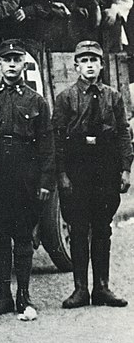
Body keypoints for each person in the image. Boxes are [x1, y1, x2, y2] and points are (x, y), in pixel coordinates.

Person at [0, 39, 55, 316]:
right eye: (7, 59)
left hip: (25, 178)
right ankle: (3, 295)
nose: (12, 64)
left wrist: (44, 183)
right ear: (0, 63)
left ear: (23, 64)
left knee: (24, 237)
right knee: (0, 236)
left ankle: (24, 296)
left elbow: (47, 146)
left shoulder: (36, 101)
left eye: (17, 59)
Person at [52, 40, 132, 309]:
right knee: (77, 229)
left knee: (102, 228)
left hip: (105, 165)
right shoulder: (65, 98)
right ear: (76, 66)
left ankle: (102, 288)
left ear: (100, 65)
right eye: (83, 61)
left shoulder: (114, 97)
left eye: (93, 61)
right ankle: (80, 289)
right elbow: (58, 139)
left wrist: (125, 168)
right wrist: (62, 173)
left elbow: (123, 133)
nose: (89, 66)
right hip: (78, 166)